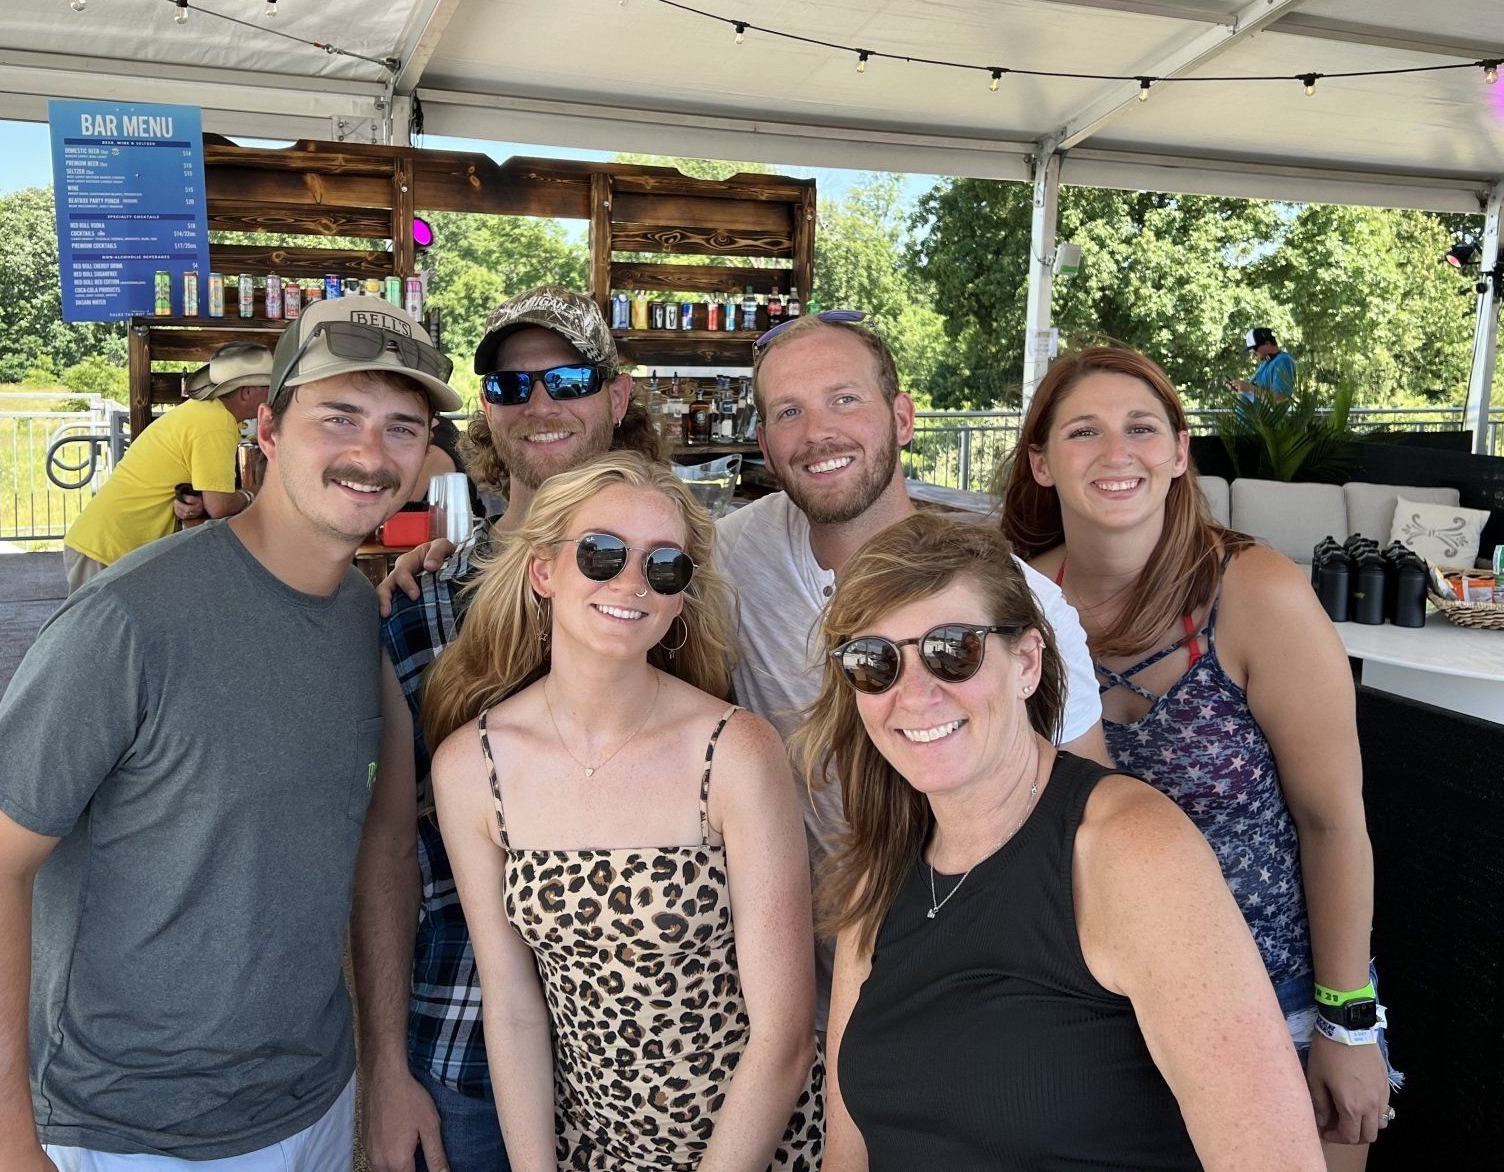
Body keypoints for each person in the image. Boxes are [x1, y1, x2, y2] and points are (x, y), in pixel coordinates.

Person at [0, 294, 461, 1171]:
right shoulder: (130, 618)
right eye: (339, 415)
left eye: (402, 427)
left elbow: (380, 852)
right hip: (126, 1131)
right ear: (266, 429)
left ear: (424, 459)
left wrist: (388, 1072)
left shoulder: (352, 621)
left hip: (314, 1103)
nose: (370, 455)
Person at [799, 514, 1324, 1171]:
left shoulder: (1129, 852)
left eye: (951, 651)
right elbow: (848, 1157)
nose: (915, 695)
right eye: (875, 662)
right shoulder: (878, 871)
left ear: (1026, 662)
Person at [1002, 344, 1396, 1168]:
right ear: (1041, 462)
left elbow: (1332, 823)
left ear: (1180, 453)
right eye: (1083, 432)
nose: (1117, 453)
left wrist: (1347, 1021)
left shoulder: (1257, 594)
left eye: (1142, 428)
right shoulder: (1016, 603)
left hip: (1276, 996)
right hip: (1096, 1004)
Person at [425, 453, 822, 1170]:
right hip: (590, 1149)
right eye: (602, 553)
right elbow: (512, 1005)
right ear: (544, 571)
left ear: (679, 599)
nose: (631, 582)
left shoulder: (736, 753)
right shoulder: (471, 768)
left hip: (754, 1147)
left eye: (664, 566)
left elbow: (784, 1036)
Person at [711, 311, 1107, 1007]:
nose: (817, 433)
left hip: (983, 971)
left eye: (844, 399)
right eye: (788, 412)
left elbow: (1089, 812)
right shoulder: (731, 556)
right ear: (766, 447)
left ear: (902, 418)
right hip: (805, 979)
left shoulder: (1022, 601)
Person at [359, 286, 669, 1172]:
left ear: (617, 396)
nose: (538, 405)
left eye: (567, 378)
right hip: (465, 1043)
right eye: (508, 386)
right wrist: (384, 1065)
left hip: (655, 1050)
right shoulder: (426, 601)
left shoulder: (682, 587)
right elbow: (387, 848)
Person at [61, 341, 269, 591]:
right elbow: (220, 506)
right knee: (90, 631)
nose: (273, 396)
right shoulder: (216, 423)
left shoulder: (205, 412)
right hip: (106, 551)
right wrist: (252, 495)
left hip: (107, 546)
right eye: (268, 387)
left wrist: (201, 502)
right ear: (246, 392)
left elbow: (205, 498)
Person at [1229, 326, 1296, 404]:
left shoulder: (1283, 360)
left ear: (1267, 344)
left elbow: (1280, 397)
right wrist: (1242, 388)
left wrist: (1248, 388)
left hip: (1266, 416)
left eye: (1254, 349)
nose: (1253, 355)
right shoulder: (1266, 362)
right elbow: (1258, 392)